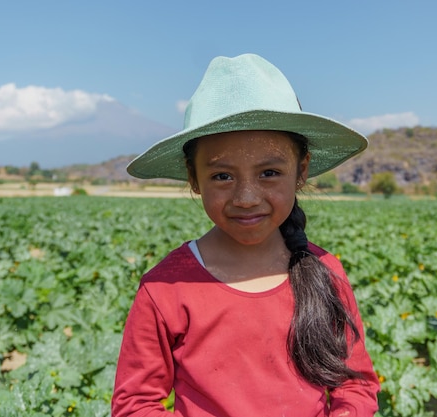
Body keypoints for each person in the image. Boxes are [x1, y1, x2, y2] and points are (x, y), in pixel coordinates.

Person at [112, 53, 380, 417]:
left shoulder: (325, 271)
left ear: (301, 171)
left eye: (269, 172)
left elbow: (356, 386)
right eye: (222, 176)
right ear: (194, 178)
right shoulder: (163, 290)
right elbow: (136, 404)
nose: (247, 198)